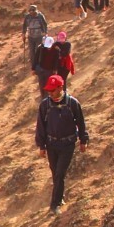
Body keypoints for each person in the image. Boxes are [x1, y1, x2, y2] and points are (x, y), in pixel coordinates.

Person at [35, 74, 89, 215]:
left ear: (60, 88)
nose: (50, 93)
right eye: (48, 90)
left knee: (59, 174)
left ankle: (55, 204)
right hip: (51, 144)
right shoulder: (45, 105)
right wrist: (41, 146)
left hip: (67, 144)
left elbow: (81, 123)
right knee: (55, 173)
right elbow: (41, 126)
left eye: (53, 90)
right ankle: (60, 196)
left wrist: (83, 140)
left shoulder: (72, 103)